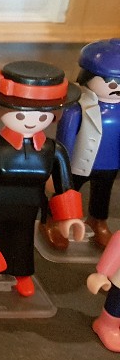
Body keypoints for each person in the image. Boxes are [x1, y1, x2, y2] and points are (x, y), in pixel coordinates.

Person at [0, 61, 84, 296]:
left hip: (28, 206)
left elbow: (65, 185)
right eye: (20, 113)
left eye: (41, 115)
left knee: (23, 241)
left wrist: (69, 217)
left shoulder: (53, 150)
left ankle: (21, 272)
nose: (31, 120)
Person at [50, 39, 120, 250]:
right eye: (111, 82)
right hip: (78, 162)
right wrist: (60, 165)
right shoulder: (76, 108)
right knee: (66, 191)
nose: (117, 88)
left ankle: (98, 221)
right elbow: (65, 139)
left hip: (110, 164)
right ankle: (54, 221)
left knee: (102, 194)